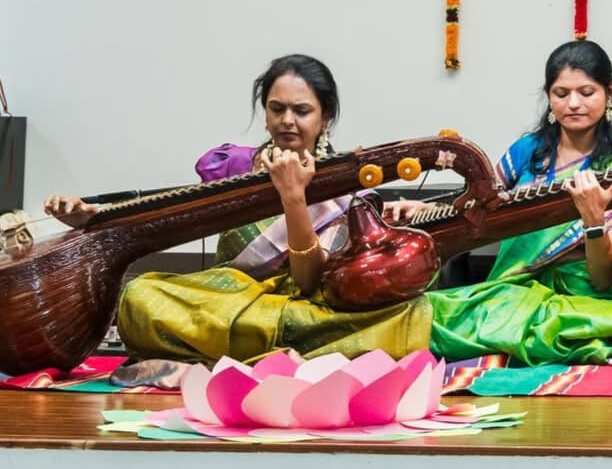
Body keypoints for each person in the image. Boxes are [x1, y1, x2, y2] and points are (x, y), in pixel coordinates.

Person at [46, 54, 433, 362]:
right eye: (276, 108)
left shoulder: (345, 183)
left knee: (388, 313)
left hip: (302, 309)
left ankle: (254, 348)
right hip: (228, 301)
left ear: (325, 117)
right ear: (264, 112)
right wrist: (93, 219)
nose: (287, 121)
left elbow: (310, 283)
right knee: (140, 297)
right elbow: (166, 216)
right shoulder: (234, 167)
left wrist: (294, 198)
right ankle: (290, 351)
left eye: (301, 110)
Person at [425, 40, 612, 364]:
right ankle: (554, 338)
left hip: (586, 297)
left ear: (610, 92)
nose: (573, 103)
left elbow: (603, 279)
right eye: (561, 94)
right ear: (549, 96)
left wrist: (593, 222)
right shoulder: (526, 153)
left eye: (586, 92)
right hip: (517, 290)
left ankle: (518, 336)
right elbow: (474, 209)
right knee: (430, 311)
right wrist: (425, 211)